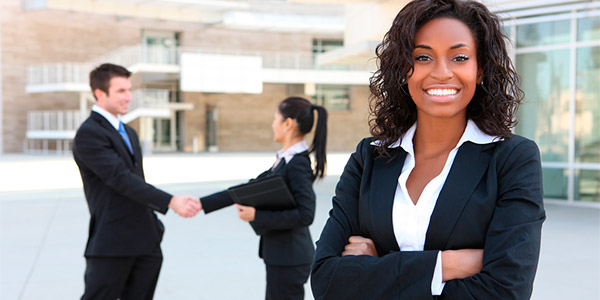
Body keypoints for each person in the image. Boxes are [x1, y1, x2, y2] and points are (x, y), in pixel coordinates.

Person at [310, 0, 546, 299]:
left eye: (459, 57)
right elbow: (326, 282)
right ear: (403, 69)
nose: (442, 72)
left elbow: (506, 290)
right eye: (423, 57)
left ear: (481, 69)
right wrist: (446, 264)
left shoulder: (512, 159)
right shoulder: (369, 157)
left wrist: (378, 268)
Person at [73, 63, 202, 299]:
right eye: (121, 91)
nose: (129, 97)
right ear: (100, 94)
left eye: (129, 90)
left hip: (145, 240)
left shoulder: (129, 132)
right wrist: (171, 201)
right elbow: (120, 179)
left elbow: (136, 180)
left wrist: (154, 226)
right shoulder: (89, 134)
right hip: (112, 242)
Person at [200, 97, 327, 300]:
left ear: (288, 124)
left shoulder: (298, 164)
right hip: (283, 257)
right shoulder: (286, 160)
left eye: (275, 119)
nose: (272, 124)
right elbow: (251, 188)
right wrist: (202, 203)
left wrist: (256, 215)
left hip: (289, 259)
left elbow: (305, 215)